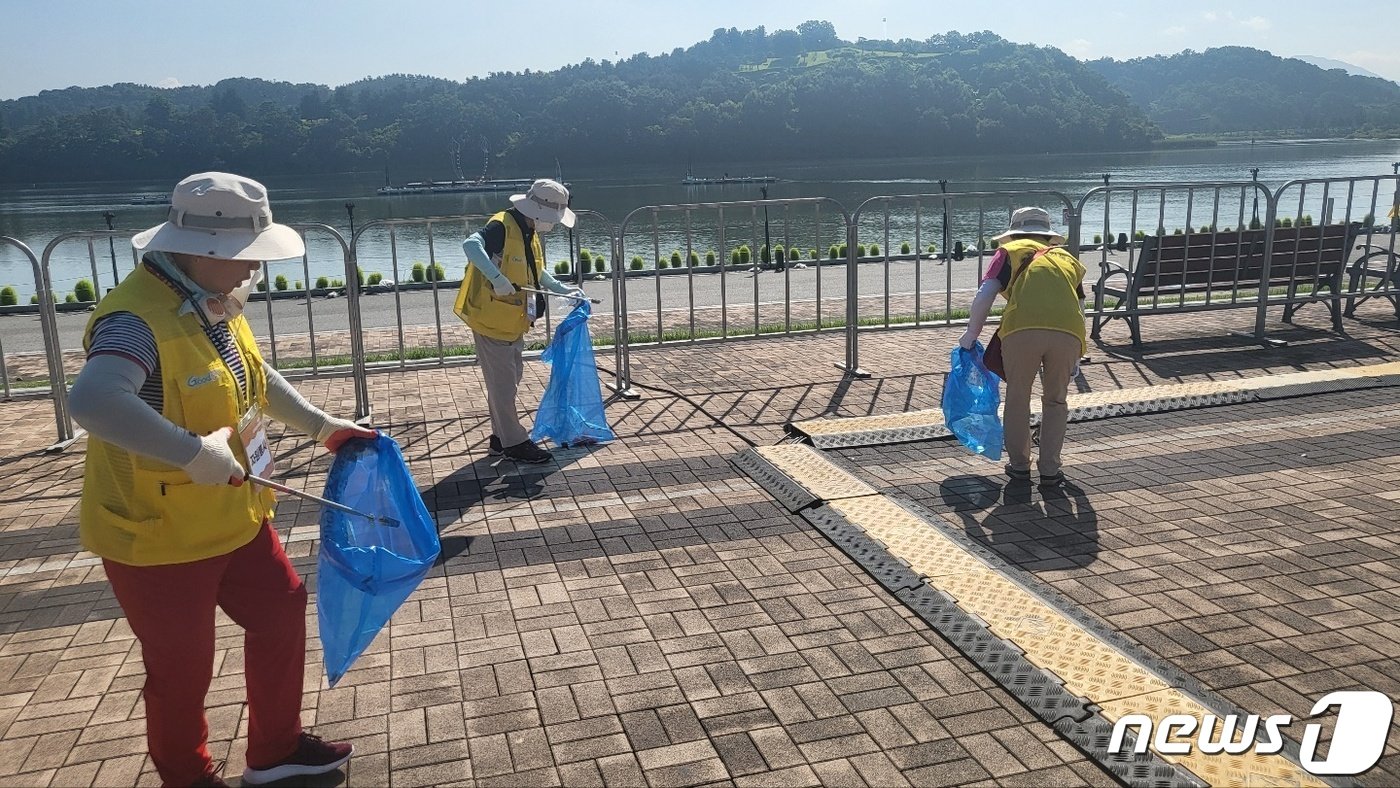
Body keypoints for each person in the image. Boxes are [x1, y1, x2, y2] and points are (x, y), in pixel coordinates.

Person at [67, 172, 370, 787]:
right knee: (182, 668)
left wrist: (322, 426)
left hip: (234, 516)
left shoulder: (211, 301)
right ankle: (188, 776)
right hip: (157, 535)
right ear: (198, 251)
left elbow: (255, 376)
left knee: (282, 611)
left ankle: (276, 750)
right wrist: (190, 453)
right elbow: (93, 401)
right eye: (245, 258)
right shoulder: (134, 319)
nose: (253, 271)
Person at [454, 178, 588, 463]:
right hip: (491, 319)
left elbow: (535, 270)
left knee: (508, 380)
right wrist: (497, 278)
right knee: (503, 385)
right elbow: (471, 245)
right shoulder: (502, 225)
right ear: (539, 212)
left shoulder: (528, 230)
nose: (552, 224)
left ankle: (499, 439)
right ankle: (515, 442)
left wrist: (561, 288)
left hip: (511, 321)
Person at [958, 207, 1087, 488]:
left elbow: (985, 295)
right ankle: (1050, 470)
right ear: (1048, 235)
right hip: (1068, 333)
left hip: (1022, 330)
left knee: (1018, 398)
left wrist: (970, 334)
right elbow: (1079, 305)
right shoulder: (1067, 259)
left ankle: (1019, 467)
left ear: (1014, 232)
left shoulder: (1009, 252)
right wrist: (1078, 349)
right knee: (1056, 401)